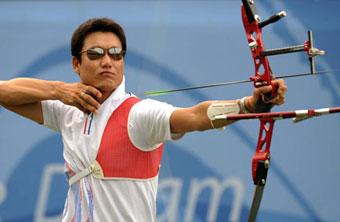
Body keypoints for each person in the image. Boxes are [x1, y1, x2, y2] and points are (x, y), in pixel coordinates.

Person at [0, 18, 287, 221]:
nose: (107, 61)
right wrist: (59, 90)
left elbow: (194, 116)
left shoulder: (138, 114)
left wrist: (248, 105)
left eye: (115, 54)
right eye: (95, 54)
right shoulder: (68, 110)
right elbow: (4, 92)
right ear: (76, 64)